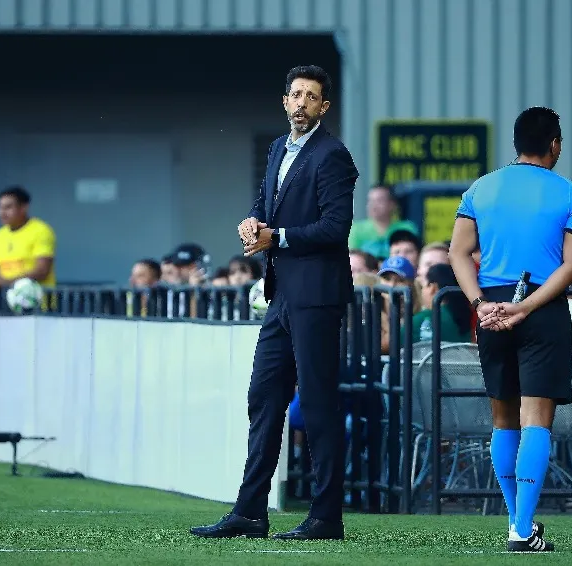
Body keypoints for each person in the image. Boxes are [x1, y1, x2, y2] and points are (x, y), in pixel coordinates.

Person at [191, 65, 357, 541]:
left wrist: (275, 236)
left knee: (320, 404)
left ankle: (326, 517)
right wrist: (251, 222)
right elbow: (265, 206)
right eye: (296, 94)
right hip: (281, 294)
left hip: (318, 297)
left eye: (312, 96)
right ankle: (249, 511)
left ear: (323, 108)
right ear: (285, 101)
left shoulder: (333, 156)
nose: (302, 101)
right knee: (263, 397)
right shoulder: (276, 149)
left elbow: (335, 228)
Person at [449, 107, 572, 553]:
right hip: (541, 309)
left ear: (515, 143)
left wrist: (480, 304)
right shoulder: (571, 194)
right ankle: (520, 528)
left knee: (503, 419)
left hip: (490, 309)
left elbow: (457, 253)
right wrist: (526, 306)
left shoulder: (481, 188)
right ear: (555, 144)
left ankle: (518, 523)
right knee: (537, 419)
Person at [0, 186, 56, 290]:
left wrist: (7, 282)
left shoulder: (40, 230)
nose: (2, 213)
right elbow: (1, 270)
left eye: (8, 207)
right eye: (0, 207)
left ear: (24, 208)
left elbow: (42, 271)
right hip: (9, 302)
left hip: (38, 302)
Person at [413, 263, 473, 343]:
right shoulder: (471, 318)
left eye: (423, 286)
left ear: (432, 288)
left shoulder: (420, 320)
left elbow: (394, 345)